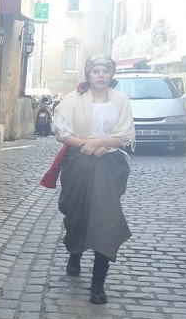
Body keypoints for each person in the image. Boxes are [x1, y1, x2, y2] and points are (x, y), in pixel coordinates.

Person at [49, 54, 135, 304]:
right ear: (88, 74)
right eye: (96, 71)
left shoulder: (120, 100)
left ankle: (98, 282)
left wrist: (99, 144)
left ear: (111, 75)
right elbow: (62, 131)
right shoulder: (74, 99)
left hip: (110, 164)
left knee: (105, 218)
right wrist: (87, 145)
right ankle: (74, 250)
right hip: (78, 162)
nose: (100, 75)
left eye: (105, 71)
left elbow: (125, 134)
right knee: (77, 215)